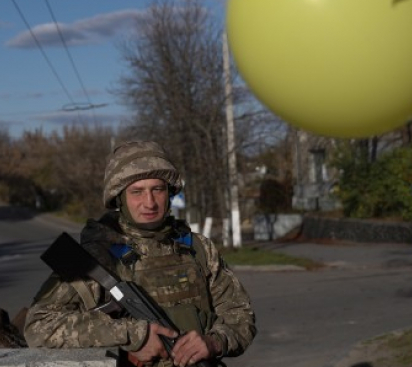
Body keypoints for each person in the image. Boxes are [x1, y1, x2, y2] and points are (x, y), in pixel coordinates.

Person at [24, 140, 256, 367]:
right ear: (119, 199)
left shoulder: (199, 249)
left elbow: (241, 316)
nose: (150, 202)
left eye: (158, 189)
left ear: (169, 193)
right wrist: (133, 335)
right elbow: (38, 327)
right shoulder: (97, 258)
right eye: (137, 192)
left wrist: (214, 342)